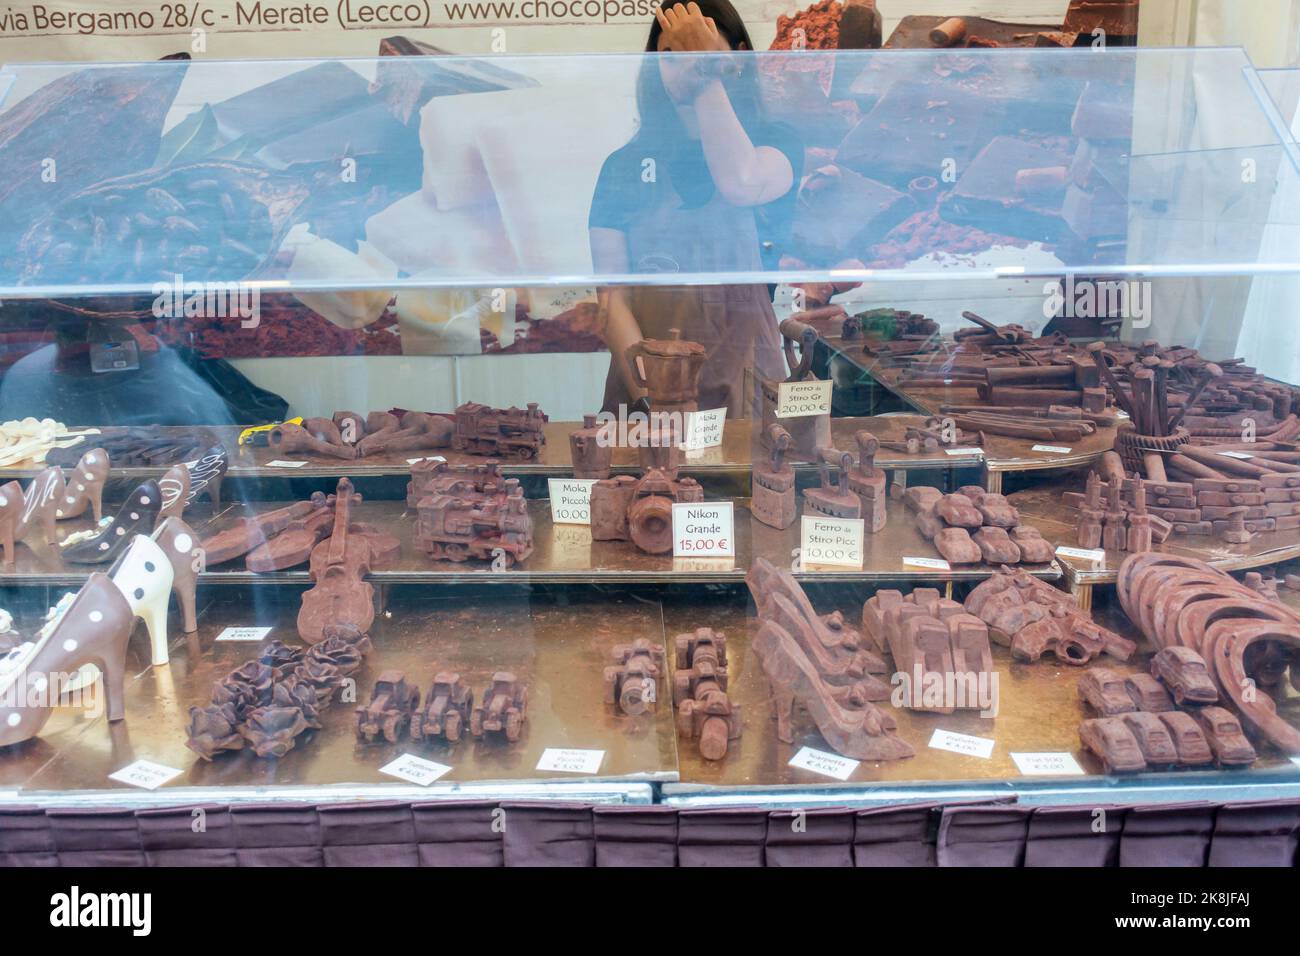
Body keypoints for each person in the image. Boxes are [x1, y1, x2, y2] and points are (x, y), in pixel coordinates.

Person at [589, 1, 802, 418]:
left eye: (699, 49)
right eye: (671, 56)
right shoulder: (624, 166)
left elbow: (740, 182)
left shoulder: (777, 143)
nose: (685, 66)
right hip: (645, 383)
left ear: (739, 57)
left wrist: (706, 79)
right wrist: (652, 393)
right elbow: (613, 299)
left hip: (748, 380)